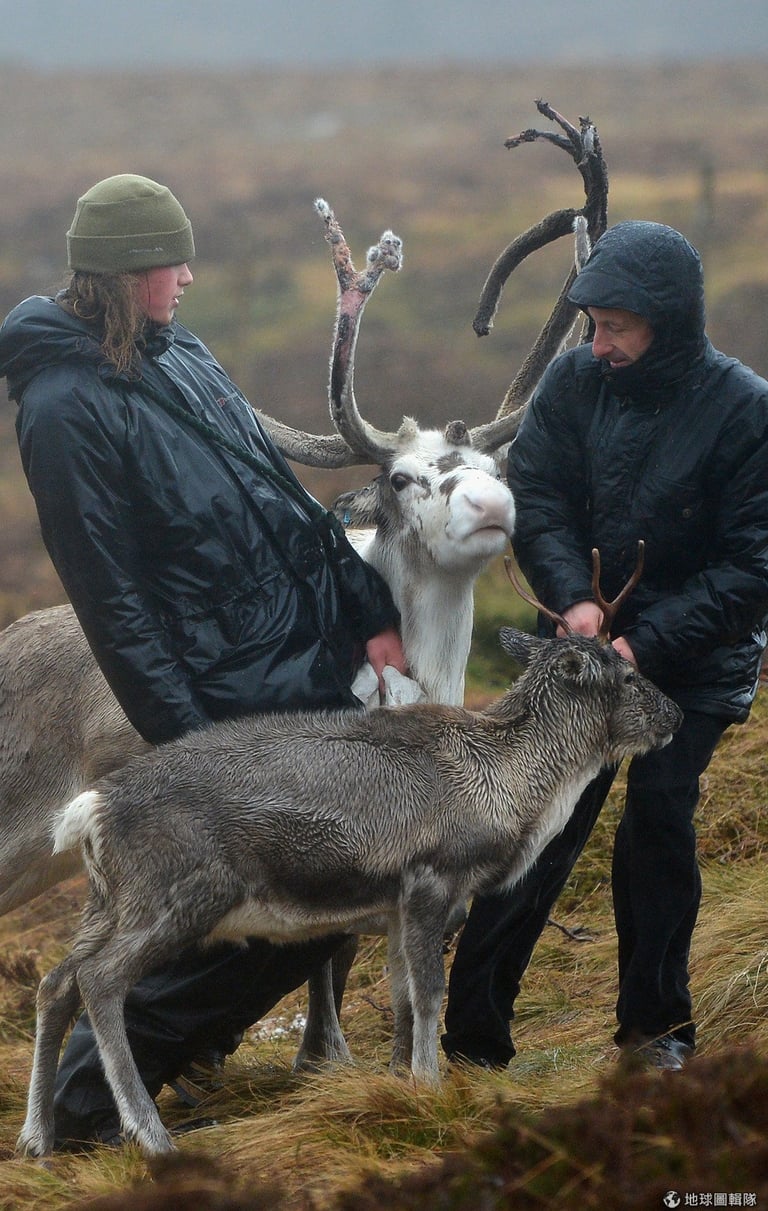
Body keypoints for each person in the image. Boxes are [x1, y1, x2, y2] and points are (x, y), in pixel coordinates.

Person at [0, 174, 406, 1146]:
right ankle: (87, 1114)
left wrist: (366, 604)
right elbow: (116, 608)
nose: (187, 275)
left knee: (331, 889)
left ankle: (136, 1081)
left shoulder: (181, 351)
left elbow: (282, 497)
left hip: (299, 662)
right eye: (169, 263)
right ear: (122, 273)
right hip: (221, 694)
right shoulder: (62, 410)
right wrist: (197, 755)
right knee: (281, 900)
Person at [441, 219, 768, 1072]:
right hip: (584, 649)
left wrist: (646, 642)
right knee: (540, 818)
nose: (596, 344)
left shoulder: (745, 410)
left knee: (657, 817)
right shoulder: (572, 383)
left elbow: (754, 565)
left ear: (667, 321)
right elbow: (539, 496)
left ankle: (655, 1037)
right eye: (591, 324)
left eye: (613, 326)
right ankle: (471, 1040)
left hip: (692, 662)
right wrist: (575, 602)